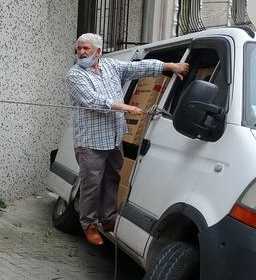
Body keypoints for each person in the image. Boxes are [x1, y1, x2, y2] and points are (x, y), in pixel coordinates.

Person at [66, 33, 188, 245]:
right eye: (79, 49)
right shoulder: (75, 75)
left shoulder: (111, 66)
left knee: (112, 178)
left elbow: (138, 68)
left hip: (113, 138)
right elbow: (93, 100)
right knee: (92, 184)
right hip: (90, 142)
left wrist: (170, 66)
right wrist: (125, 107)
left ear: (98, 52)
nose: (82, 52)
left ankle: (108, 218)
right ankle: (89, 224)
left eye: (86, 48)